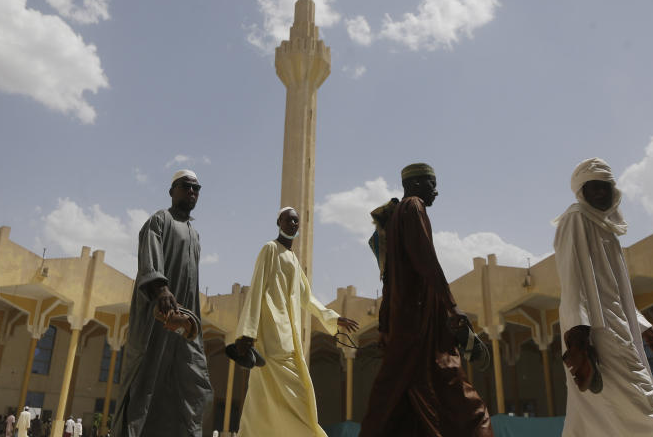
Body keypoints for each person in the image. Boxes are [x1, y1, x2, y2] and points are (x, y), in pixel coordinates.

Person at [361, 164, 494, 437]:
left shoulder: (395, 217)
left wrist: (386, 326)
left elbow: (388, 281)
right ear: (417, 184)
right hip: (420, 328)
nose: (436, 191)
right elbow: (426, 260)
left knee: (395, 403)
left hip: (404, 328)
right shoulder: (413, 207)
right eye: (432, 184)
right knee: (464, 404)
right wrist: (451, 305)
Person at [553, 159, 653, 436]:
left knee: (602, 409)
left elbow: (618, 292)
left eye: (605, 187)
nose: (600, 194)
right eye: (593, 188)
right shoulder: (576, 218)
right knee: (635, 398)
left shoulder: (607, 228)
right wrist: (577, 334)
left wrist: (643, 326)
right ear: (582, 192)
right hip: (595, 329)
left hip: (618, 324)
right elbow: (571, 277)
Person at [232, 207, 359, 436]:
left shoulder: (292, 258)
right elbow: (256, 288)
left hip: (288, 338)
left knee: (262, 397)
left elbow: (306, 297)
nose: (293, 224)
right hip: (271, 339)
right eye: (288, 220)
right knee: (277, 394)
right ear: (278, 222)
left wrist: (332, 316)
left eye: (296, 221)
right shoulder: (270, 249)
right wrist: (247, 333)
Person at [111, 170, 213, 437]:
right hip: (156, 318)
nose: (192, 191)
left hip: (183, 322)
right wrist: (162, 289)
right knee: (146, 381)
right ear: (172, 191)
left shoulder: (195, 234)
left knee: (186, 383)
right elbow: (149, 261)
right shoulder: (160, 220)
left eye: (196, 188)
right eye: (186, 186)